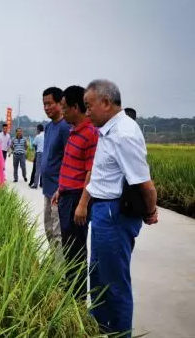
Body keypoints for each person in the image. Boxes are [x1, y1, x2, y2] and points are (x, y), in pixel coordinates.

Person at [84, 79, 158, 336]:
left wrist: (150, 212)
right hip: (103, 212)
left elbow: (145, 184)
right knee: (99, 274)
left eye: (89, 105)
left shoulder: (123, 133)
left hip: (114, 214)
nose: (87, 112)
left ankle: (120, 332)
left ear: (105, 102)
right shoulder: (110, 129)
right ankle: (101, 324)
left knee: (115, 281)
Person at [51, 86, 98, 300]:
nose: (63, 112)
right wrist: (60, 189)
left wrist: (82, 204)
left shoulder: (90, 133)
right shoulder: (73, 130)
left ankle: (77, 299)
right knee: (68, 247)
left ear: (76, 108)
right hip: (66, 195)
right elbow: (71, 165)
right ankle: (70, 290)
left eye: (65, 108)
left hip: (76, 200)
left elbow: (91, 171)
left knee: (76, 250)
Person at [40, 87, 70, 248]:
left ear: (60, 102)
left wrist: (62, 187)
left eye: (49, 103)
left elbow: (69, 159)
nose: (46, 108)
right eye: (44, 104)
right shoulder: (49, 127)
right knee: (49, 230)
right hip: (47, 188)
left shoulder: (65, 127)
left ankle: (59, 271)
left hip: (59, 191)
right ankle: (52, 266)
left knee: (58, 233)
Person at [30, 124, 44, 189]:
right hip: (46, 153)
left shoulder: (38, 136)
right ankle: (42, 183)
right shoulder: (46, 135)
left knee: (37, 170)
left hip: (39, 153)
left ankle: (35, 184)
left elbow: (33, 144)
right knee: (43, 169)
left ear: (38, 129)